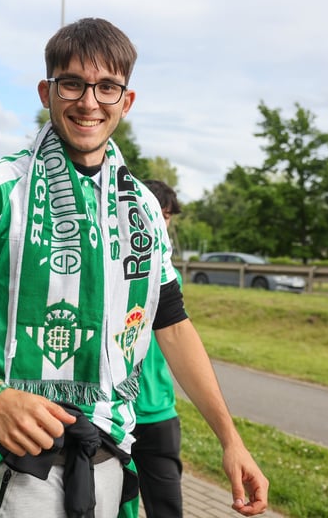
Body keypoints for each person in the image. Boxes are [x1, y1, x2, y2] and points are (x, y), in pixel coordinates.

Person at [0, 18, 269, 517]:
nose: (89, 102)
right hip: (18, 458)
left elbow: (174, 327)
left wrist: (231, 440)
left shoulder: (139, 205)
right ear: (46, 92)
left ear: (126, 101)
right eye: (72, 83)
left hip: (112, 452)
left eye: (107, 87)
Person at [133, 179, 185, 517]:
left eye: (166, 216)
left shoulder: (171, 276)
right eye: (156, 212)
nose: (161, 221)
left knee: (167, 508)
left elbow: (178, 336)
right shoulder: (110, 267)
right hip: (111, 413)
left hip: (159, 411)